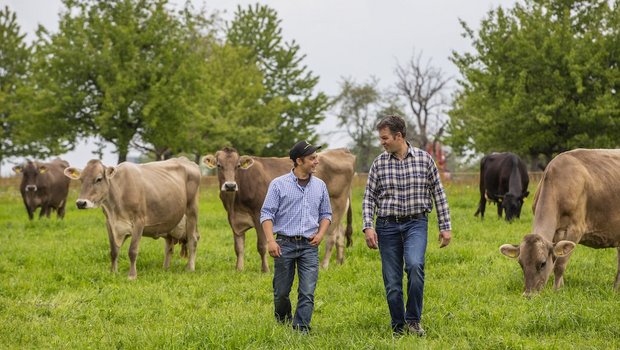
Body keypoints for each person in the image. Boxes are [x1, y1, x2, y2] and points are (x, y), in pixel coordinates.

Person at [362, 115, 452, 336]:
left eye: (385, 138)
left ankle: (413, 320)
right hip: (387, 226)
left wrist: (445, 225)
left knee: (414, 266)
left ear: (398, 136)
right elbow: (368, 198)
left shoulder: (424, 159)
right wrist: (368, 226)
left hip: (416, 224)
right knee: (392, 282)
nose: (382, 142)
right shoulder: (379, 163)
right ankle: (398, 326)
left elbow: (438, 193)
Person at [260, 140, 332, 334]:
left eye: (316, 157)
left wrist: (321, 233)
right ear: (299, 161)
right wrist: (271, 241)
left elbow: (326, 214)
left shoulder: (320, 186)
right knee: (281, 292)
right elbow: (266, 214)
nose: (317, 161)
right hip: (284, 243)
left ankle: (301, 329)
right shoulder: (278, 185)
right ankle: (283, 321)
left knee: (307, 291)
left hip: (310, 245)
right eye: (312, 158)